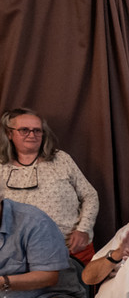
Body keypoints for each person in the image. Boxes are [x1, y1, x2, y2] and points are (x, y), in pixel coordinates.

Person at [0, 108, 98, 256]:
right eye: (24, 130)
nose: (32, 135)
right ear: (9, 133)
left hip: (70, 249)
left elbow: (90, 195)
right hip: (20, 254)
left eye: (37, 130)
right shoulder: (1, 167)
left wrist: (83, 230)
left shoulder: (61, 159)